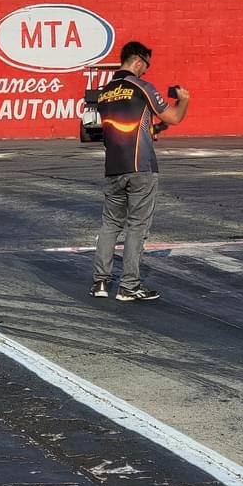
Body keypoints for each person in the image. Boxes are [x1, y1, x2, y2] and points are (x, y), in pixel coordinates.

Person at [91, 41, 189, 301]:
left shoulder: (104, 92)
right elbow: (175, 118)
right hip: (140, 167)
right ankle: (129, 286)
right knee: (137, 227)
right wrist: (184, 100)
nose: (145, 71)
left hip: (113, 167)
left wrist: (151, 130)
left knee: (110, 225)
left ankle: (101, 282)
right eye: (145, 66)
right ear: (137, 61)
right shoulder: (141, 86)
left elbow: (119, 127)